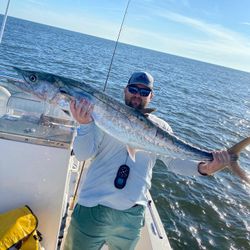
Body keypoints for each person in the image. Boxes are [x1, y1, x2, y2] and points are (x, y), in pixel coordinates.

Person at [63, 72, 230, 250]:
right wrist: (85, 124)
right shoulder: (99, 113)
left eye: (144, 92)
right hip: (92, 207)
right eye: (133, 89)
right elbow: (82, 154)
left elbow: (174, 162)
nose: (137, 95)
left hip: (132, 216)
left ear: (151, 96)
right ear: (125, 90)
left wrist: (205, 168)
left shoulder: (161, 127)